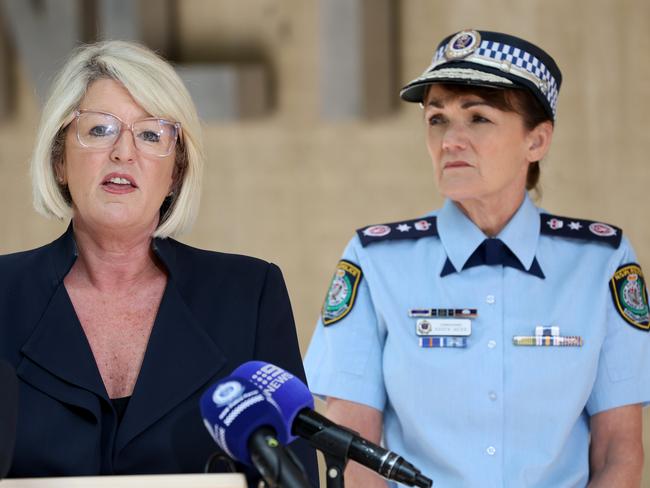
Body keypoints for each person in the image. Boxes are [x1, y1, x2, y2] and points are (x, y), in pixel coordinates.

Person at [305, 29, 650, 487]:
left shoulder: (600, 262)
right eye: (437, 119)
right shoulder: (376, 262)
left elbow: (617, 453)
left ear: (537, 141)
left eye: (478, 119)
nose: (451, 140)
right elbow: (354, 447)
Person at [0, 40, 318, 486]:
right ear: (58, 160)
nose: (123, 153)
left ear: (175, 173)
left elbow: (293, 474)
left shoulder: (248, 294)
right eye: (99, 129)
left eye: (151, 134)